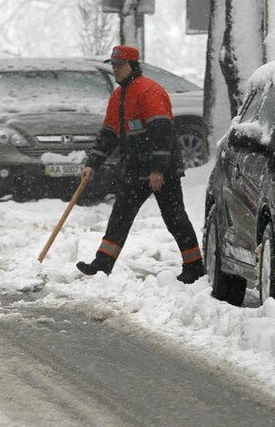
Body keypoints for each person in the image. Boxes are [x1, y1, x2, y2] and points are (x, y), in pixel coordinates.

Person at [76, 45, 205, 284]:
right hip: (135, 167)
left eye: (119, 66)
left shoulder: (149, 91)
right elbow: (109, 133)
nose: (115, 70)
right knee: (121, 215)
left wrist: (157, 170)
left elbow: (161, 132)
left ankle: (194, 266)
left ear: (133, 66)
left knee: (174, 217)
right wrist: (92, 163)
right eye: (113, 66)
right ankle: (102, 264)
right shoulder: (118, 95)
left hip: (162, 169)